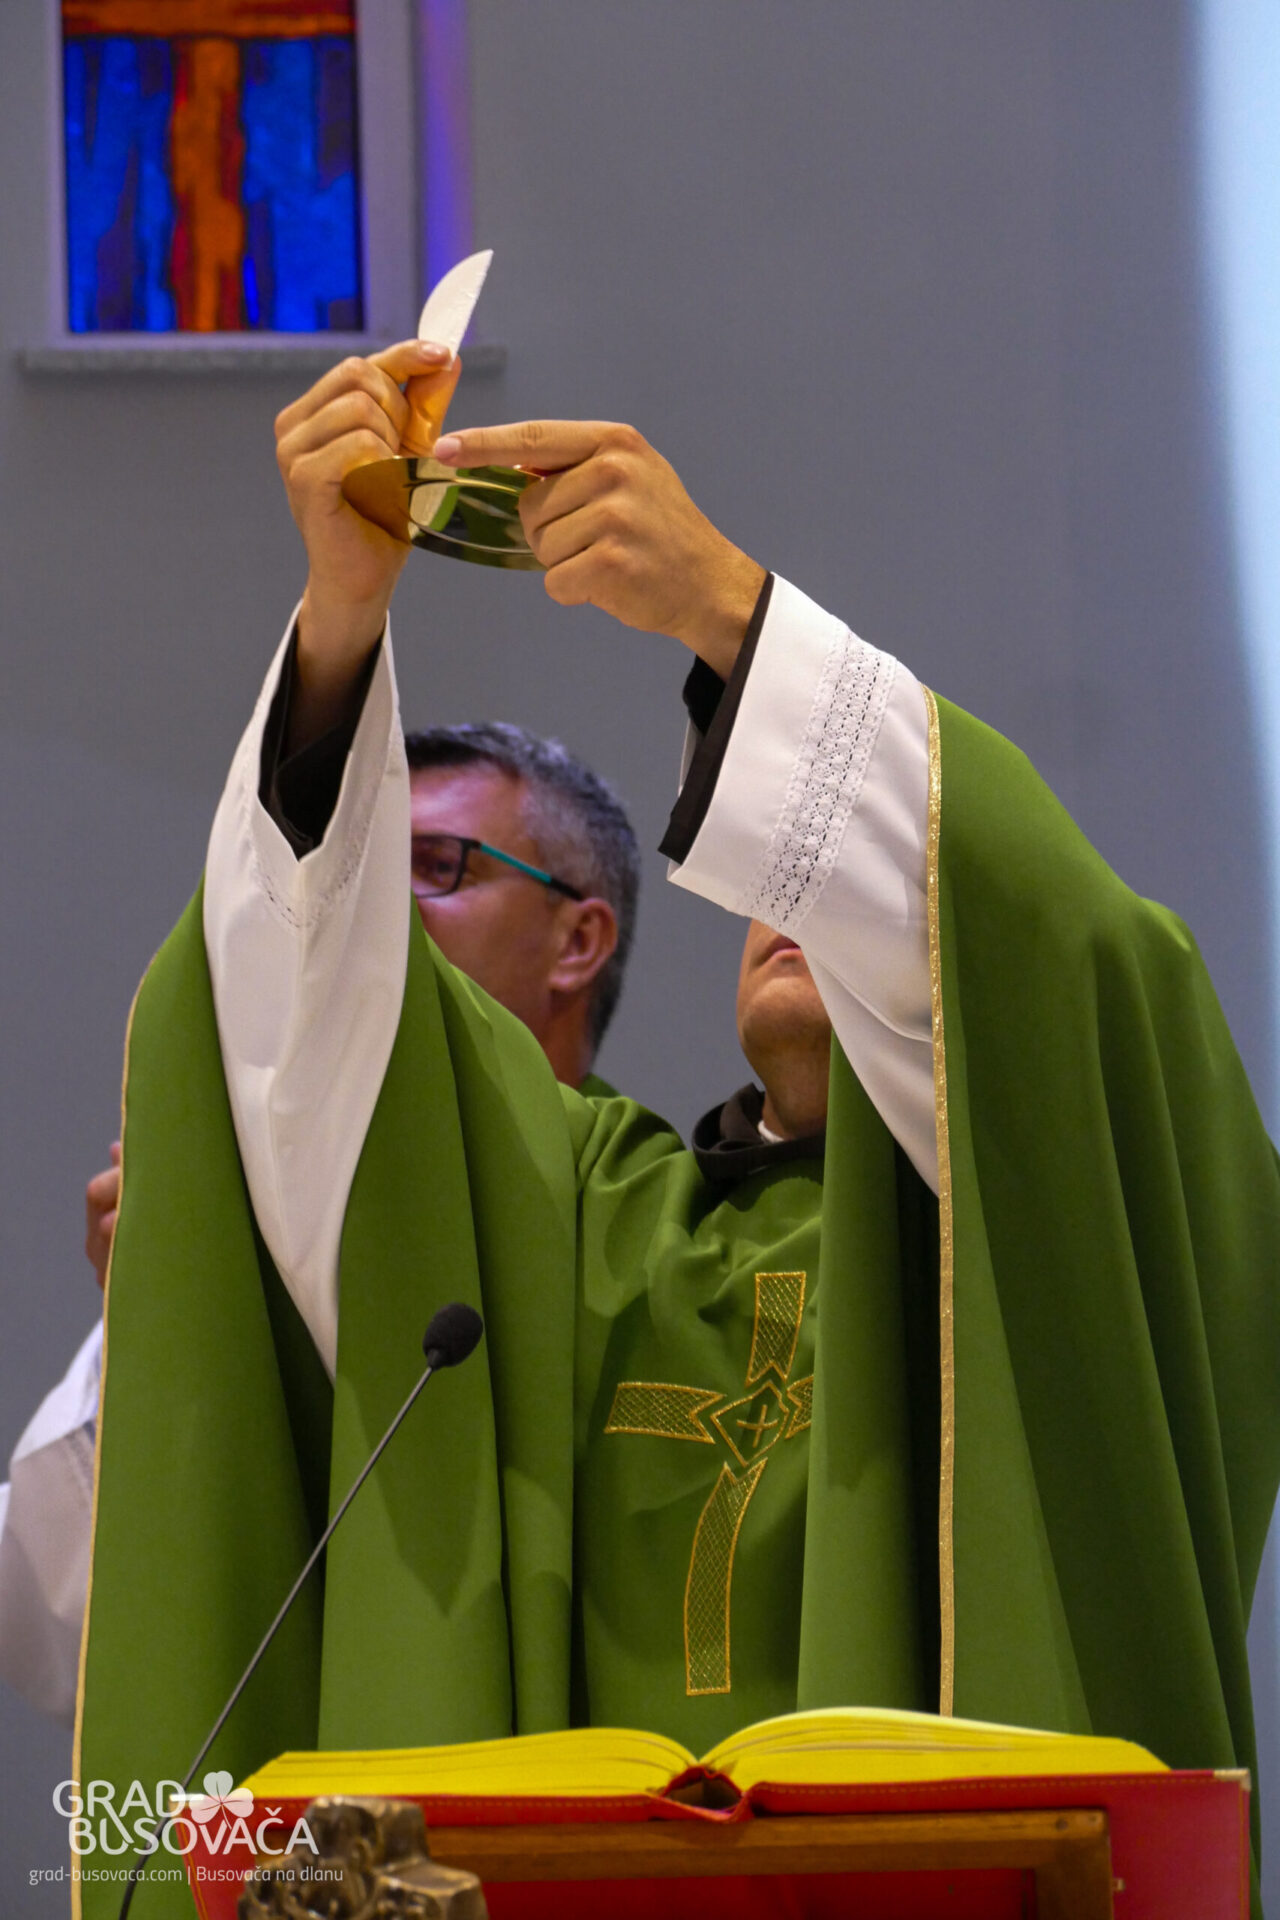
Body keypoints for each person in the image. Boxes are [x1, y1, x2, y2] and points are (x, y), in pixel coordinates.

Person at [75, 341, 1280, 1919]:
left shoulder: (1030, 1241)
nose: (794, 898)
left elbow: (1079, 974)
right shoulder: (575, 1223)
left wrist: (727, 611)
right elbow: (314, 1043)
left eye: (837, 878)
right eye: (779, 880)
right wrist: (341, 624)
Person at [0, 714, 639, 1727]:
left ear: (577, 940)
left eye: (435, 866)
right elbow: (54, 1624)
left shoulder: (649, 1240)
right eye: (366, 872)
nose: (375, 908)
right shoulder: (268, 1226)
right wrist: (167, 1332)